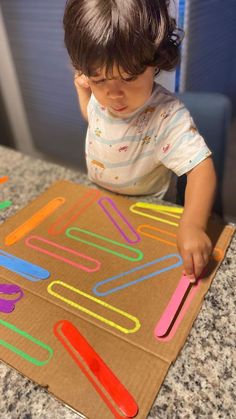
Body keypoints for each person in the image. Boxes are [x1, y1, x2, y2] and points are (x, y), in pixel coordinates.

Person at [63, 0, 217, 282]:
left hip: (148, 210)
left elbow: (201, 168)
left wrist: (193, 224)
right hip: (101, 201)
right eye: (99, 80)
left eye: (129, 77)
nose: (113, 95)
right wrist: (84, 93)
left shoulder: (166, 117)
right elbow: (93, 119)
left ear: (155, 60)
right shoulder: (100, 99)